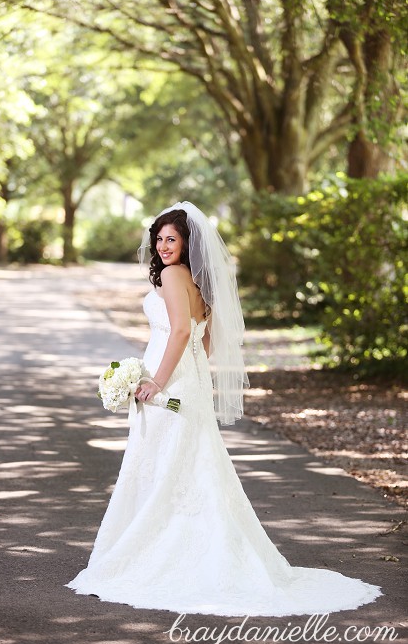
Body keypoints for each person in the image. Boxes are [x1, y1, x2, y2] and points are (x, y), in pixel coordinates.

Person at [66, 202, 381, 616]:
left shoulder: (177, 275)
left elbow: (179, 330)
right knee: (188, 463)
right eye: (158, 239)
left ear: (186, 243)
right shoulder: (199, 281)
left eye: (171, 239)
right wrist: (183, 367)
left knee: (168, 464)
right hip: (187, 377)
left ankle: (163, 554)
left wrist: (157, 380)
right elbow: (204, 338)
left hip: (169, 380)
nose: (163, 246)